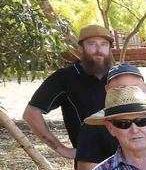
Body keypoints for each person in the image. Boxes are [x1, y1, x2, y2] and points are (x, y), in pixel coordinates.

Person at [24, 24, 111, 160]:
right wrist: (60, 148)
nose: (99, 50)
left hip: (127, 158)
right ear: (80, 49)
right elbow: (31, 113)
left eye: (104, 44)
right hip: (89, 161)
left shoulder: (117, 76)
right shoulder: (64, 77)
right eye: (92, 44)